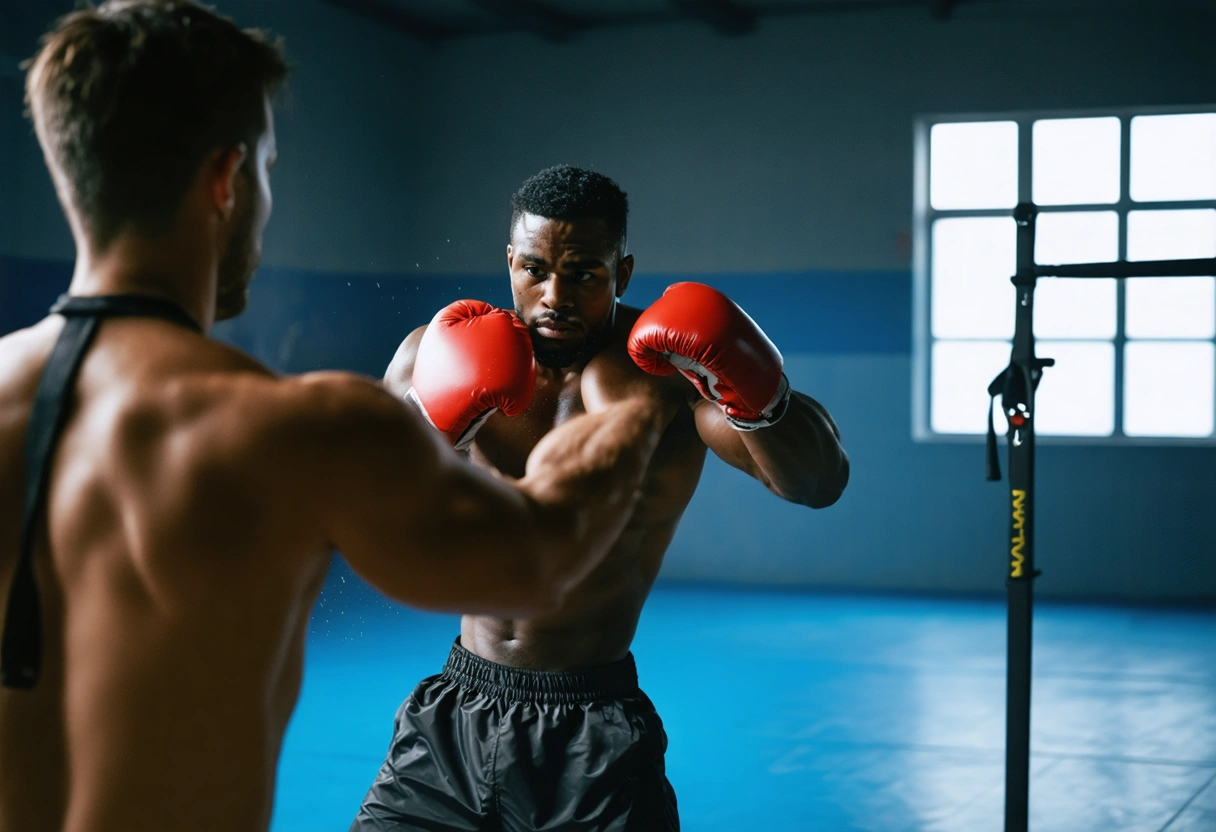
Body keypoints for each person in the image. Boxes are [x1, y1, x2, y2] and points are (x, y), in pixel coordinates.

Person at [0, 8, 666, 832]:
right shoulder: (300, 428)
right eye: (269, 167)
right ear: (227, 178)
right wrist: (635, 406)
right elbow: (534, 564)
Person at [353, 165, 850, 831]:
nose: (554, 295)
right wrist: (429, 420)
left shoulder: (668, 378)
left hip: (593, 729)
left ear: (622, 271)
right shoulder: (433, 356)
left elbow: (819, 484)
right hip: (454, 715)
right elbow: (364, 513)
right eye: (534, 269)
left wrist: (760, 393)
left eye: (584, 272)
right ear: (509, 262)